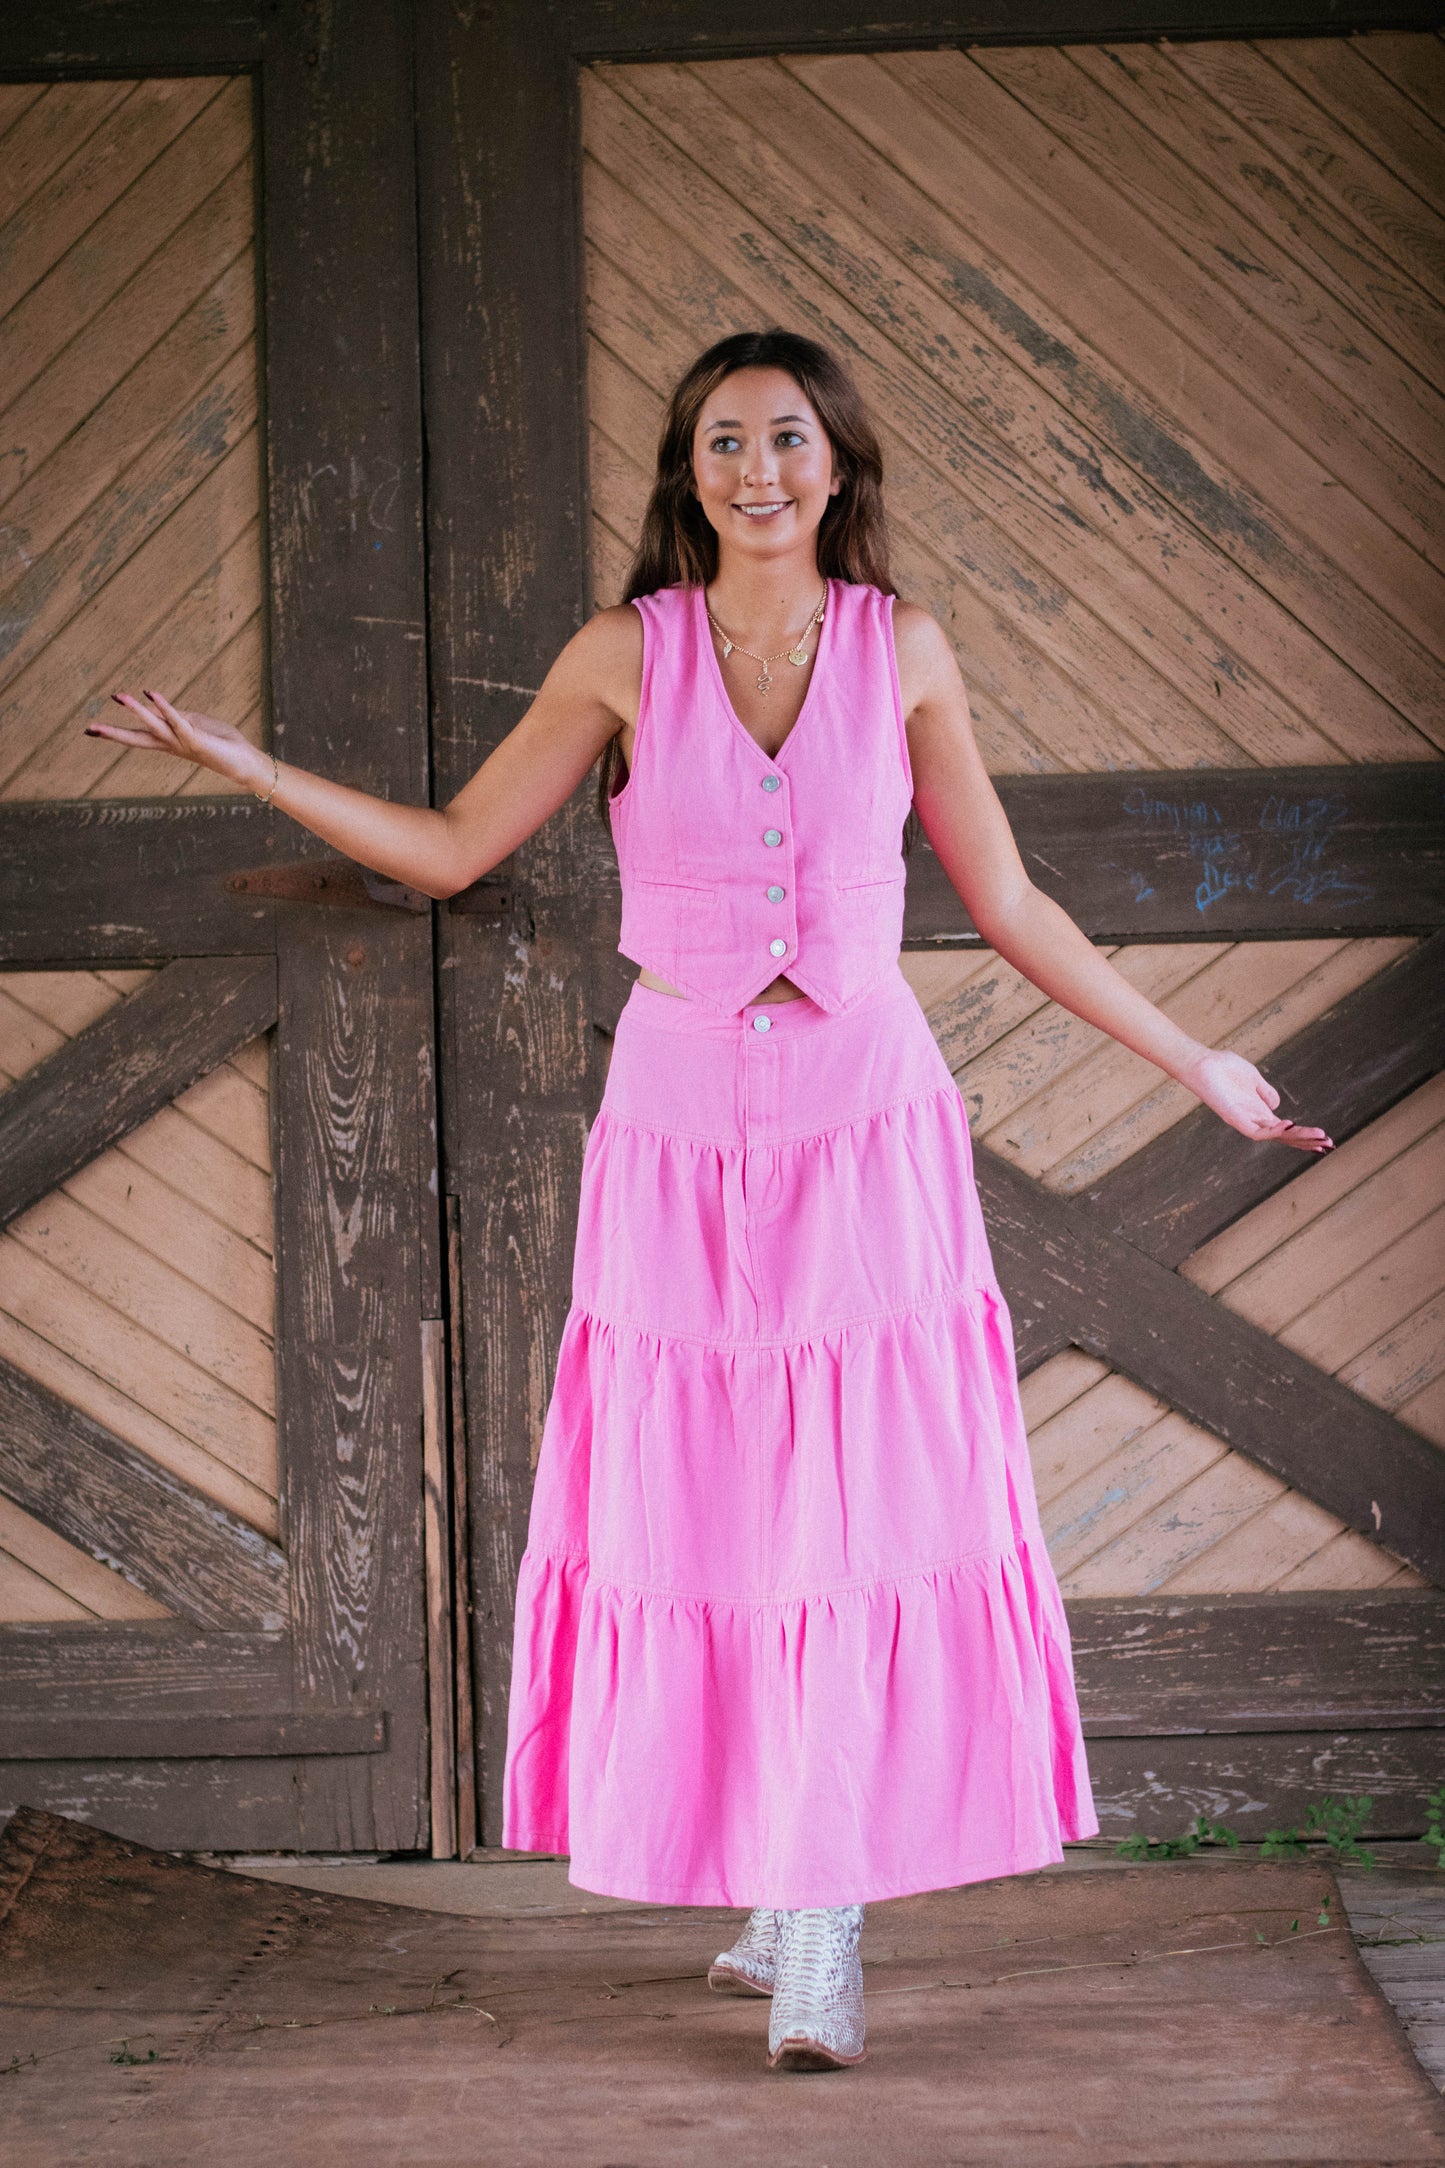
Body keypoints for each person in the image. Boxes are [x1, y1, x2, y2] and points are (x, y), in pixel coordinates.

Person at [90, 326, 1334, 2076]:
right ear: (690, 471)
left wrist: (1196, 1060)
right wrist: (251, 762)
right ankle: (771, 1876)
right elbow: (455, 849)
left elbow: (1010, 905)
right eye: (726, 443)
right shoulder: (625, 652)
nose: (759, 470)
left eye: (788, 441)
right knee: (716, 1509)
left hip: (864, 1113)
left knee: (852, 1503)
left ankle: (821, 1912)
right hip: (675, 1116)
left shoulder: (904, 649)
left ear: (837, 465)